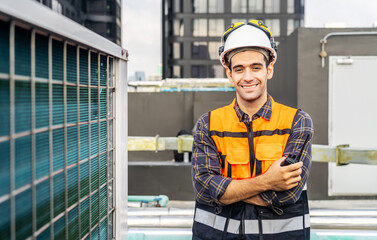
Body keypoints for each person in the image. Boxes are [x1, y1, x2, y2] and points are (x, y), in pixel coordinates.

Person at [191, 20, 313, 240]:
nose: (247, 77)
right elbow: (204, 190)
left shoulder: (297, 121)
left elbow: (288, 193)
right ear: (229, 73)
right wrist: (268, 181)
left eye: (255, 67)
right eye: (239, 69)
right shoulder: (208, 125)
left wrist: (227, 192)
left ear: (269, 69)